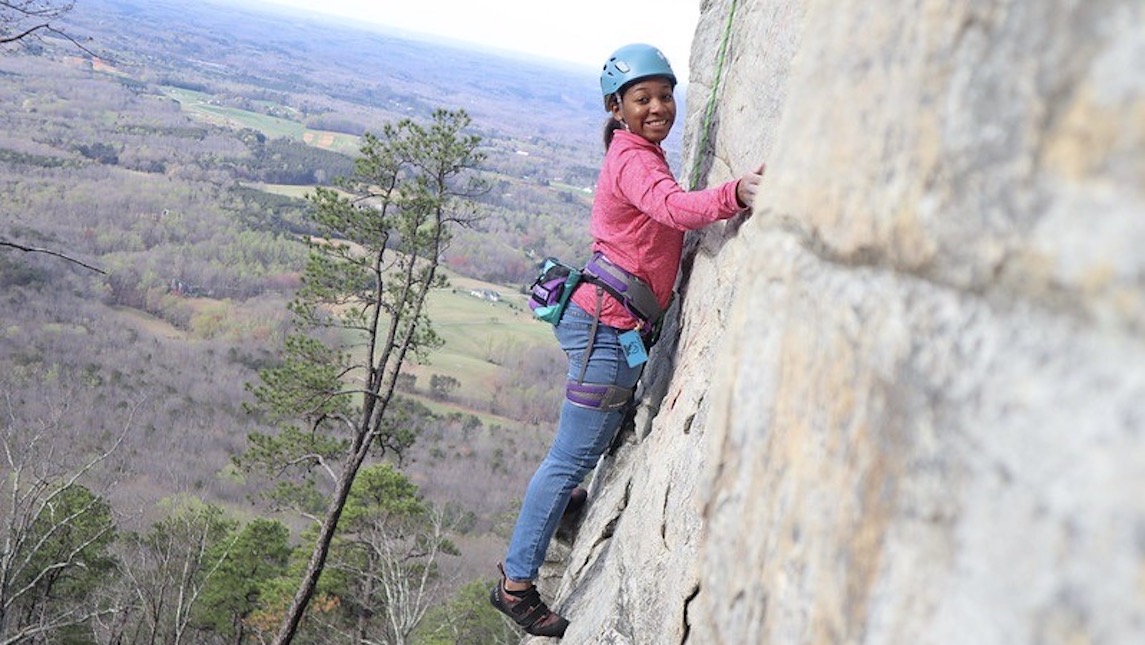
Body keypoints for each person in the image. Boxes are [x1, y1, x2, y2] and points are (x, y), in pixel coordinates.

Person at [490, 43, 765, 638]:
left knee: (581, 449)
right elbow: (673, 209)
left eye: (665, 95)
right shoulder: (635, 159)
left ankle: (567, 512)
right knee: (568, 461)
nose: (658, 106)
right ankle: (516, 585)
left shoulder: (636, 150)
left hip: (607, 322)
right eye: (643, 98)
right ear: (617, 108)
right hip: (608, 330)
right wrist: (735, 194)